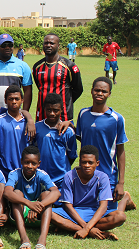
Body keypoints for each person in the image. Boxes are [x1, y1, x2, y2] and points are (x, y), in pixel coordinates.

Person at [76, 77, 134, 211]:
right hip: (86, 172)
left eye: (104, 91)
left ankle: (125, 198)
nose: (100, 93)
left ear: (109, 94)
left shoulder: (116, 119)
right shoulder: (83, 114)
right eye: (97, 90)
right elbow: (81, 137)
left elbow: (120, 151)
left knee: (108, 213)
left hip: (108, 174)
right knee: (85, 209)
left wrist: (121, 182)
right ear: (91, 91)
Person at [51, 145, 127, 240]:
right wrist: (88, 229)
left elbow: (103, 206)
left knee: (120, 217)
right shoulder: (69, 176)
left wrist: (86, 228)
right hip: (73, 212)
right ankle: (92, 231)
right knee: (48, 213)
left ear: (97, 163)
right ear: (79, 162)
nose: (87, 165)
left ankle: (69, 227)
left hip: (92, 211)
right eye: (84, 162)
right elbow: (68, 206)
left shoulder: (102, 177)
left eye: (90, 163)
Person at [4, 146, 60, 249]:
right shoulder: (15, 173)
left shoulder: (42, 174)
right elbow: (7, 193)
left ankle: (42, 241)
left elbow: (56, 193)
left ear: (38, 163)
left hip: (38, 215)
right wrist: (29, 204)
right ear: (21, 161)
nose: (30, 166)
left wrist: (39, 206)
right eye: (26, 162)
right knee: (17, 193)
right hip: (19, 214)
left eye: (33, 163)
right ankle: (24, 239)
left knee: (47, 194)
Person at [33, 33, 83, 121]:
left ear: (58, 46)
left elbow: (78, 89)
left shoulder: (69, 66)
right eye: (46, 43)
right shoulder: (37, 67)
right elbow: (40, 86)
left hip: (63, 115)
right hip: (42, 114)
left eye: (52, 43)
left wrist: (65, 102)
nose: (48, 45)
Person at [33, 93, 77, 190]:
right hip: (41, 177)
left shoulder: (68, 132)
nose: (52, 113)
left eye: (56, 110)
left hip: (62, 178)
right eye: (49, 110)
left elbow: (72, 156)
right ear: (44, 109)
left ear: (61, 110)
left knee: (62, 204)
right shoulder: (37, 128)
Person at [0, 85, 30, 177]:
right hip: (5, 172)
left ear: (22, 100)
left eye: (17, 99)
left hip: (25, 171)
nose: (14, 102)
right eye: (11, 99)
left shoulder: (28, 123)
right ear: (5, 101)